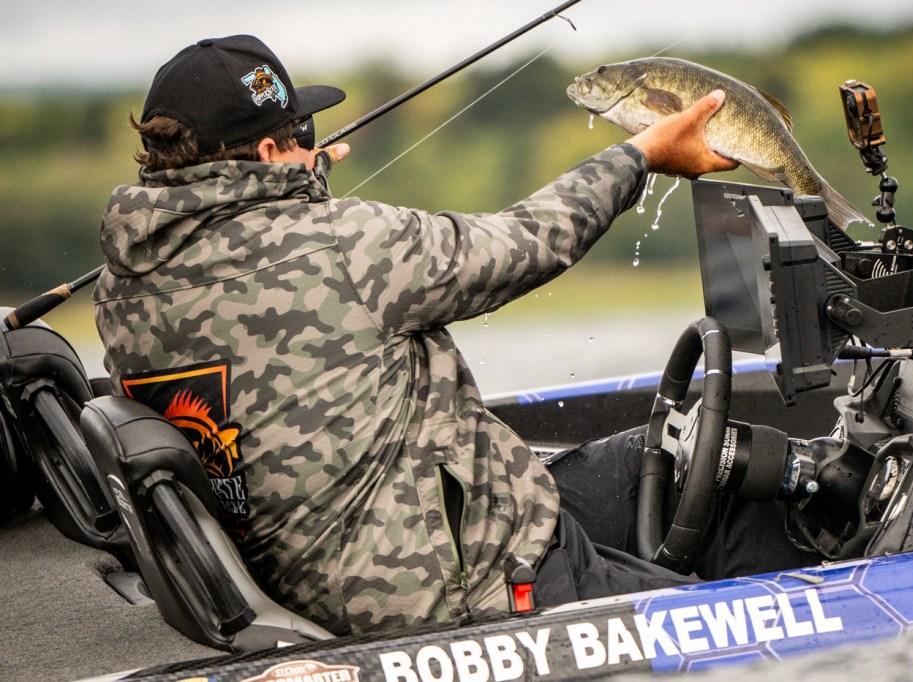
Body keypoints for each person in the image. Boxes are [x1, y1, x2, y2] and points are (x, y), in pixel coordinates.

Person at [93, 34, 815, 637]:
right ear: (263, 151)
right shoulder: (343, 245)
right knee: (751, 626)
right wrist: (641, 156)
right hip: (465, 585)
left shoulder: (121, 289)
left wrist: (293, 193)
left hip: (340, 569)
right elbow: (525, 243)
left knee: (667, 463)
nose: (310, 146)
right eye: (295, 137)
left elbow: (276, 290)